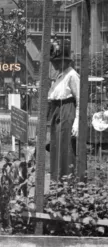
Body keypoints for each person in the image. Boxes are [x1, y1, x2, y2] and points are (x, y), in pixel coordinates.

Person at [47, 39, 80, 180]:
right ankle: (57, 176)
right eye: (53, 61)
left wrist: (77, 121)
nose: (54, 64)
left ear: (66, 61)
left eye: (57, 61)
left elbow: (79, 99)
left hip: (67, 110)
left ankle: (68, 177)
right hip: (57, 110)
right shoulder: (60, 75)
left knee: (66, 145)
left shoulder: (72, 75)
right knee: (56, 144)